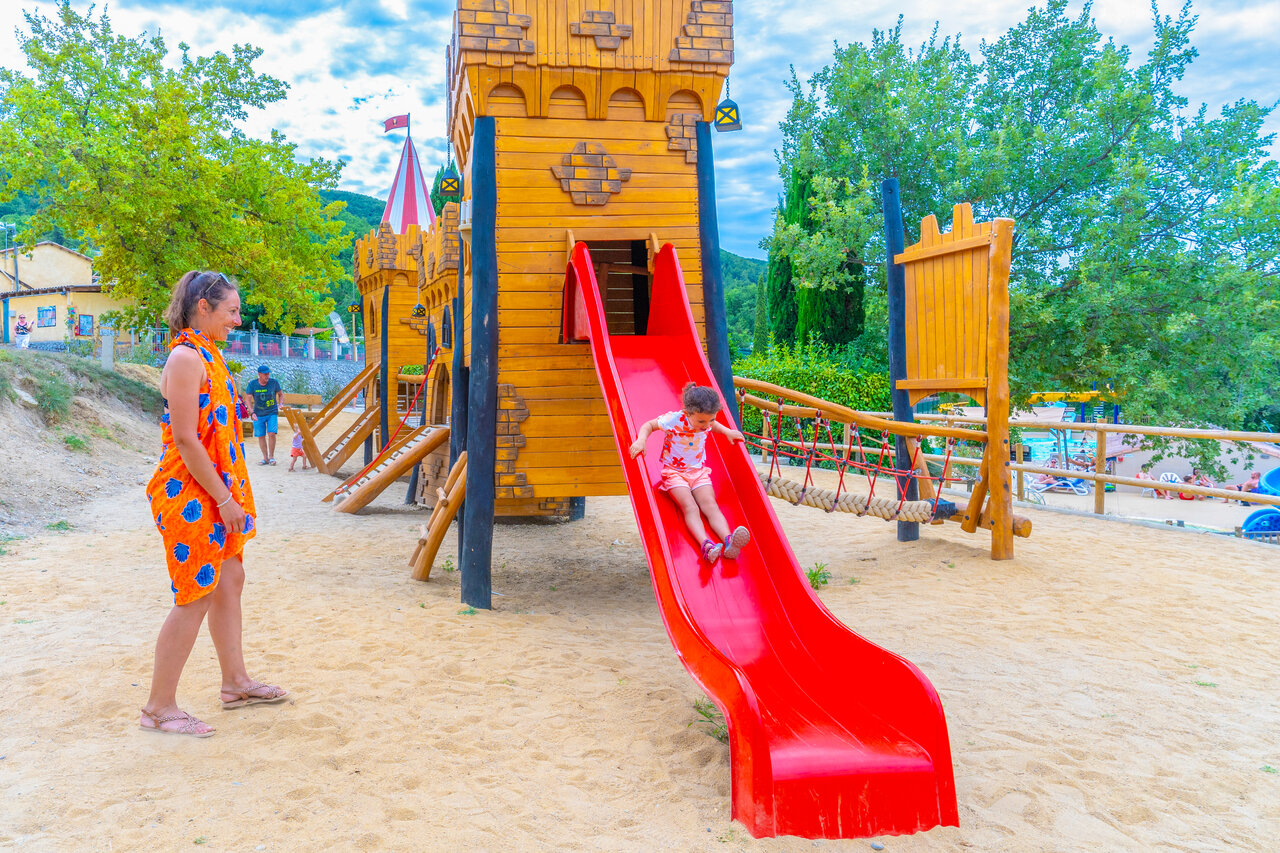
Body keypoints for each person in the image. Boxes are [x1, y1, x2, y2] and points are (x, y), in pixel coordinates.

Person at [141, 271, 287, 738]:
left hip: (210, 491)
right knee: (195, 594)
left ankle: (236, 684)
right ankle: (158, 708)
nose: (237, 320)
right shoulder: (187, 357)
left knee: (230, 579)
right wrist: (224, 499)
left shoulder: (209, 355)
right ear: (203, 307)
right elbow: (185, 439)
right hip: (191, 493)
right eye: (232, 311)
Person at [629, 383, 750, 564]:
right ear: (687, 413)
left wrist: (727, 432)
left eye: (710, 420)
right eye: (701, 421)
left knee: (710, 505)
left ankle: (729, 540)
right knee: (691, 507)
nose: (706, 426)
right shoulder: (674, 419)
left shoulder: (707, 421)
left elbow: (714, 425)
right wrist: (641, 440)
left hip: (698, 471)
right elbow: (649, 425)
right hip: (674, 473)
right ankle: (706, 545)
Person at [242, 364, 283, 465]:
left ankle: (271, 457)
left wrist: (281, 404)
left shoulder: (274, 383)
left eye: (268, 373)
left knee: (271, 433)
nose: (267, 376)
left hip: (272, 412)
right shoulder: (252, 384)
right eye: (265, 374)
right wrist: (252, 412)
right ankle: (265, 458)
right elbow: (247, 399)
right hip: (258, 413)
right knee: (261, 435)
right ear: (259, 374)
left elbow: (281, 394)